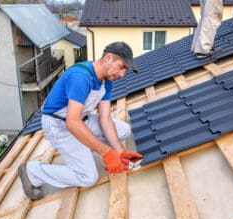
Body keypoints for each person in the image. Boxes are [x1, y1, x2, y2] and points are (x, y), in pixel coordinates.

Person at [18, 42, 143, 200]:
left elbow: (105, 118)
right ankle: (33, 171)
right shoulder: (81, 77)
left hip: (81, 120)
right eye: (121, 67)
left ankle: (83, 147)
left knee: (123, 130)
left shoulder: (106, 81)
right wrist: (105, 152)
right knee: (88, 177)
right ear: (108, 58)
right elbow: (72, 122)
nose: (122, 74)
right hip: (58, 125)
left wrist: (119, 152)